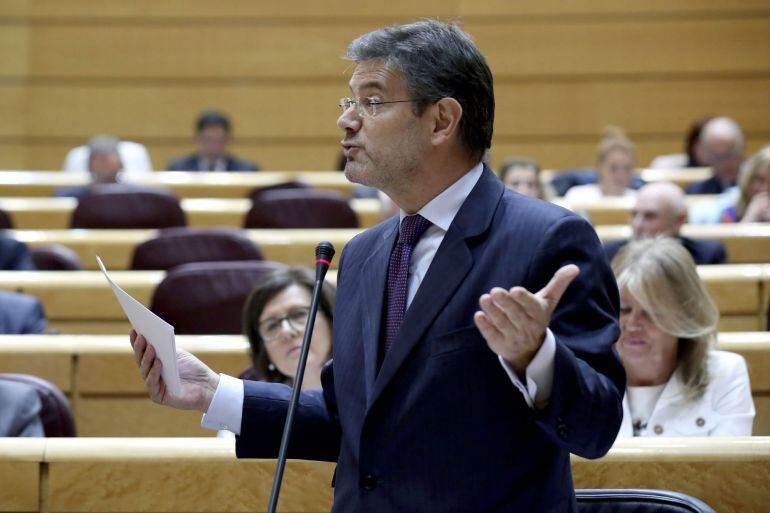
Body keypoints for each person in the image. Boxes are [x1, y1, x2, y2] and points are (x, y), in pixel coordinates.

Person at [132, 20, 624, 513]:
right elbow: (353, 418)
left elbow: (598, 427)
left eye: (371, 102)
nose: (346, 121)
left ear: (441, 121)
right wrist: (214, 393)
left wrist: (536, 357)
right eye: (348, 103)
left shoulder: (546, 240)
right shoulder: (365, 253)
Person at [612, 238, 754, 436]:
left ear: (685, 315)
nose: (633, 324)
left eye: (651, 312)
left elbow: (728, 467)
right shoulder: (587, 375)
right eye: (624, 309)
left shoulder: (725, 374)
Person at [239, 266, 334, 391]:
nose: (286, 331)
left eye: (298, 314)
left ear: (331, 317)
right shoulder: (248, 398)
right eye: (272, 326)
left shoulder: (367, 384)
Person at [603, 182, 727, 265]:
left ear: (680, 220)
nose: (637, 224)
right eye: (634, 214)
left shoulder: (708, 257)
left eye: (650, 216)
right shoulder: (609, 256)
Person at [167, 111, 259, 172]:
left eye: (219, 140)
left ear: (229, 140)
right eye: (208, 139)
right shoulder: (179, 169)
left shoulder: (246, 170)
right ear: (197, 140)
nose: (213, 146)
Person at [564, 127, 637, 201]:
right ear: (599, 168)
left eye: (627, 169)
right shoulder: (577, 196)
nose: (621, 176)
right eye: (613, 168)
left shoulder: (638, 200)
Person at [685, 117, 744, 195]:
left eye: (729, 154)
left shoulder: (756, 187)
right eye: (717, 157)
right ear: (706, 156)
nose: (725, 163)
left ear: (741, 149)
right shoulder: (697, 192)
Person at [54, 135, 124, 200]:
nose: (103, 165)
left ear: (120, 163)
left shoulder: (132, 194)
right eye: (98, 159)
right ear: (89, 165)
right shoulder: (72, 196)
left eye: (107, 160)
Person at [718, 145, 770, 223]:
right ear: (749, 179)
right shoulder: (730, 212)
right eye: (760, 180)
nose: (765, 189)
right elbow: (727, 235)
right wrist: (750, 217)